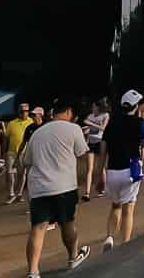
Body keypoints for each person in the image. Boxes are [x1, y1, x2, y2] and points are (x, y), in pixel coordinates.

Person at [22, 100, 90, 277]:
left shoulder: (37, 133)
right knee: (67, 223)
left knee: (38, 228)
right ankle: (73, 257)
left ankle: (33, 271)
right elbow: (83, 155)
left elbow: (27, 162)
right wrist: (85, 182)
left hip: (39, 188)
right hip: (64, 186)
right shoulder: (73, 129)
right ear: (68, 111)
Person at [100, 90, 144, 252]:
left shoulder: (111, 124)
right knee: (128, 209)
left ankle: (109, 237)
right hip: (131, 172)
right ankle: (125, 246)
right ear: (135, 106)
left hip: (112, 172)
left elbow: (103, 152)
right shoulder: (139, 122)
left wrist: (99, 175)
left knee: (115, 206)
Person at [2, 104, 35, 204]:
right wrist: (4, 152)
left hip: (24, 152)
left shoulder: (31, 122)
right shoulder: (12, 123)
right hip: (11, 152)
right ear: (18, 112)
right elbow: (6, 138)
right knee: (9, 172)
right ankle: (11, 194)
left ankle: (19, 194)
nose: (24, 113)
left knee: (22, 174)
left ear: (28, 111)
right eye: (22, 111)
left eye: (26, 111)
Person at [81, 100, 109, 200]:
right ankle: (87, 193)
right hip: (91, 143)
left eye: (94, 107)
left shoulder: (105, 115)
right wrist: (86, 128)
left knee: (101, 167)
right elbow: (88, 128)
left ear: (99, 107)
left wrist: (90, 124)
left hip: (100, 142)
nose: (92, 109)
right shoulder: (90, 116)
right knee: (89, 168)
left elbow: (103, 128)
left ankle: (103, 188)